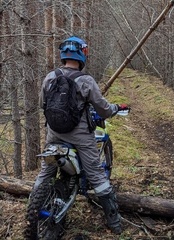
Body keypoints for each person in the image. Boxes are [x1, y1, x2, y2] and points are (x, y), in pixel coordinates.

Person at [34, 36, 128, 235]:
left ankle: (34, 207)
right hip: (80, 137)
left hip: (54, 134)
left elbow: (43, 104)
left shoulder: (50, 77)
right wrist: (115, 108)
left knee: (45, 173)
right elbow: (103, 109)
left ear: (63, 55)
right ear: (82, 55)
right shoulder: (86, 80)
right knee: (96, 174)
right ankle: (115, 223)